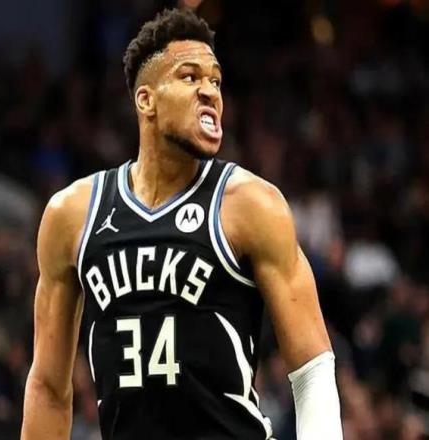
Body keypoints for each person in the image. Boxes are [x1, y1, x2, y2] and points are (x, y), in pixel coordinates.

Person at [21, 8, 343, 440]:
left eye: (216, 81)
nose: (209, 91)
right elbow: (48, 387)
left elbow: (312, 369)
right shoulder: (73, 214)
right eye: (190, 77)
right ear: (146, 100)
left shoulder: (250, 204)